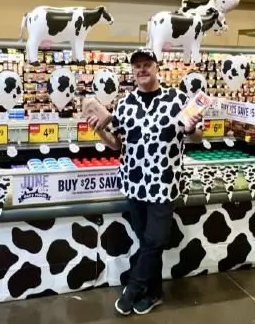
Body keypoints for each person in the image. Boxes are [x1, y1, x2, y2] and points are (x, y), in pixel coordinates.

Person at [87, 48, 203, 316]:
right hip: (135, 184)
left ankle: (133, 289)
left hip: (164, 184)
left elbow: (196, 137)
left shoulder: (178, 99)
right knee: (147, 241)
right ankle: (154, 293)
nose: (141, 70)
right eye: (137, 66)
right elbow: (117, 143)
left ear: (156, 67)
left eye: (146, 64)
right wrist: (100, 133)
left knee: (155, 240)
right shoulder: (125, 104)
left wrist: (191, 129)